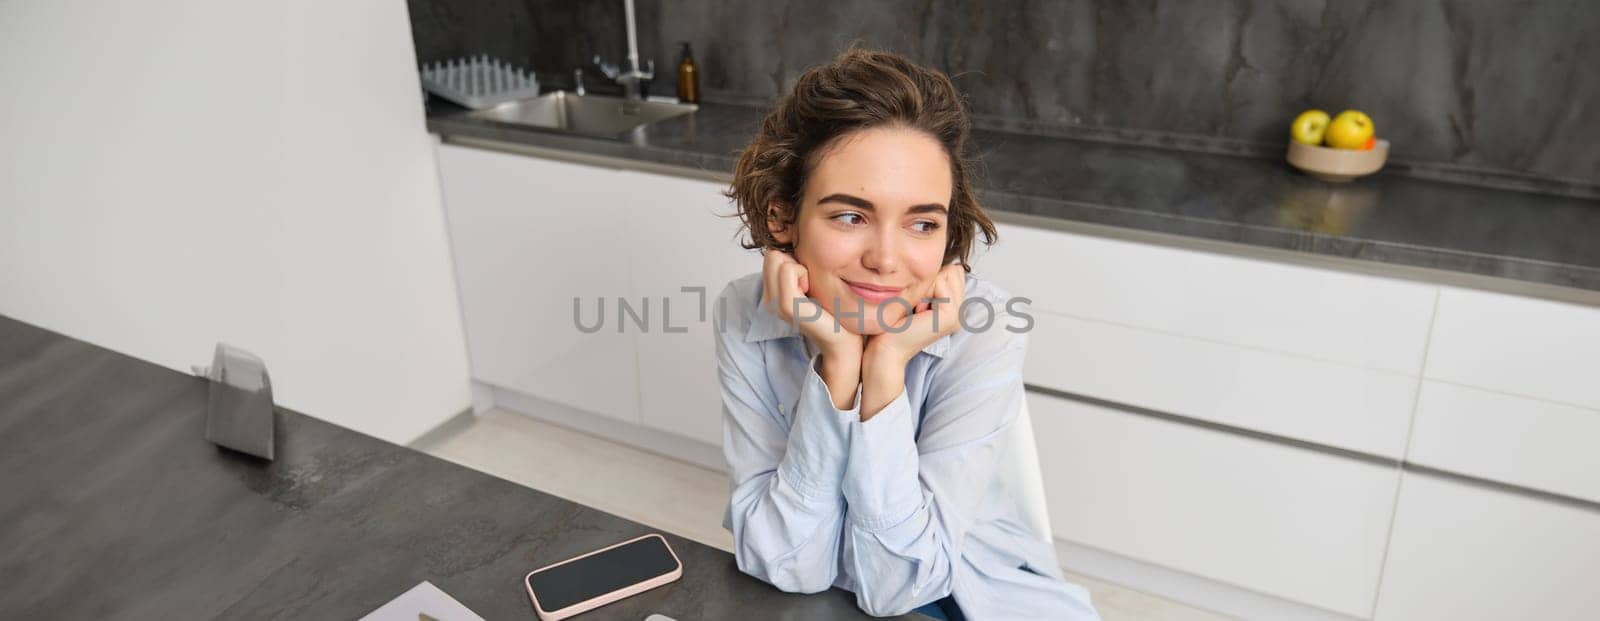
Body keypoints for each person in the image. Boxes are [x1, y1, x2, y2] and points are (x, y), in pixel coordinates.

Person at [713, 44, 1100, 620]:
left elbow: (898, 585)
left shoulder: (981, 326)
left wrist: (886, 367)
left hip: (970, 586)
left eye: (922, 223)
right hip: (818, 590)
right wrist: (839, 363)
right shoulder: (745, 311)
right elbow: (790, 562)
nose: (887, 260)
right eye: (850, 216)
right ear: (782, 217)